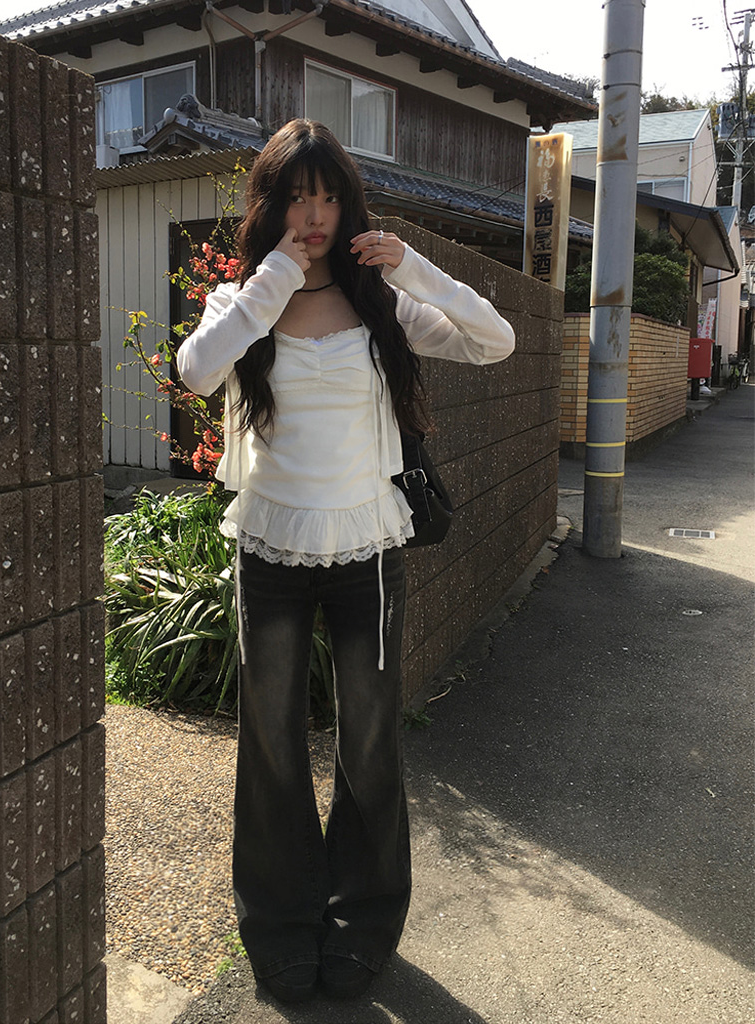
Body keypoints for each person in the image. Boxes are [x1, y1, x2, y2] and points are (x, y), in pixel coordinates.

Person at [177, 118, 515, 1004]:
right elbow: (196, 371)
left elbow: (496, 341)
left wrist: (414, 269)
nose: (316, 214)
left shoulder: (381, 304)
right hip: (271, 549)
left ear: (349, 205)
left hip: (367, 550)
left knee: (368, 740)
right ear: (274, 205)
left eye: (329, 196)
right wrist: (274, 279)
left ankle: (363, 919)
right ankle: (280, 924)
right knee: (272, 742)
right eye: (299, 196)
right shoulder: (244, 299)